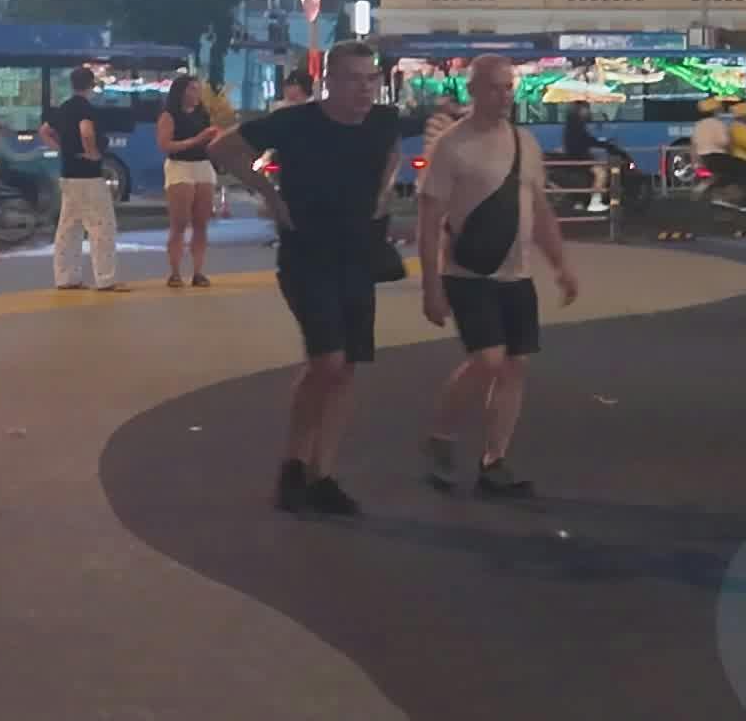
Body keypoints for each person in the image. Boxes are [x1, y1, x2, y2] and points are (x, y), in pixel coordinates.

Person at [209, 46, 408, 518]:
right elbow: (222, 147)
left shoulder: (383, 122)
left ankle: (323, 473)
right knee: (327, 359)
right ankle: (294, 465)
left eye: (371, 79)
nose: (365, 89)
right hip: (306, 253)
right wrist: (269, 194)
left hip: (358, 253)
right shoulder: (296, 122)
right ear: (329, 82)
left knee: (348, 365)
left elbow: (394, 149)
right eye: (354, 79)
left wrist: (384, 191)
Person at [415, 54, 581, 498]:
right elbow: (429, 221)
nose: (504, 95)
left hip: (516, 274)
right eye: (495, 86)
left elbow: (539, 211)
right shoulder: (452, 146)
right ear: (473, 90)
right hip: (468, 274)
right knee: (487, 360)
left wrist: (560, 265)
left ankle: (495, 460)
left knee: (516, 365)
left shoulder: (525, 142)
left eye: (509, 87)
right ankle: (442, 435)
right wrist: (431, 286)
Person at [43, 64, 124, 292]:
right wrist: (92, 153)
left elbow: (44, 131)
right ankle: (105, 279)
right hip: (88, 176)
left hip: (68, 174)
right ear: (91, 85)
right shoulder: (86, 109)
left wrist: (62, 149)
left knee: (69, 227)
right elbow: (86, 131)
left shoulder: (64, 108)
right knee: (102, 226)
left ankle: (66, 277)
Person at [155, 73, 221, 289]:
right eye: (192, 89)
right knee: (180, 222)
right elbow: (165, 145)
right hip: (180, 166)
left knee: (201, 222)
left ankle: (198, 272)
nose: (196, 93)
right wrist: (196, 140)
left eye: (198, 89)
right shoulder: (169, 115)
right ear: (181, 92)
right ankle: (175, 272)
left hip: (203, 165)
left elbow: (209, 143)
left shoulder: (203, 114)